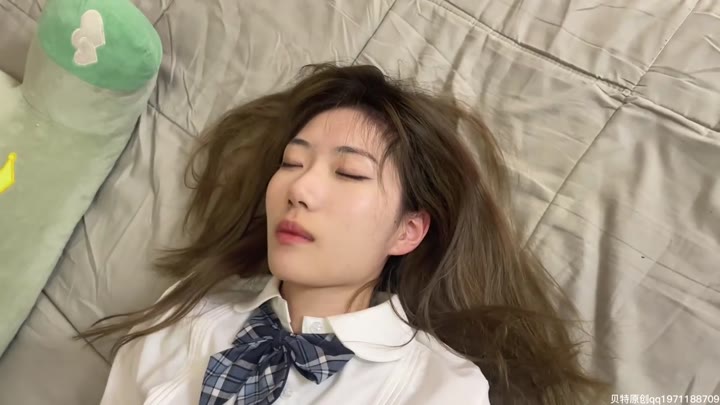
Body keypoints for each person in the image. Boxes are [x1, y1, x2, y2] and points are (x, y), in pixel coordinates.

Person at [81, 64, 608, 405]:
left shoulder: (443, 389)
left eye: (349, 173)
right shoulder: (186, 318)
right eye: (292, 162)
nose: (300, 188)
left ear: (407, 231)